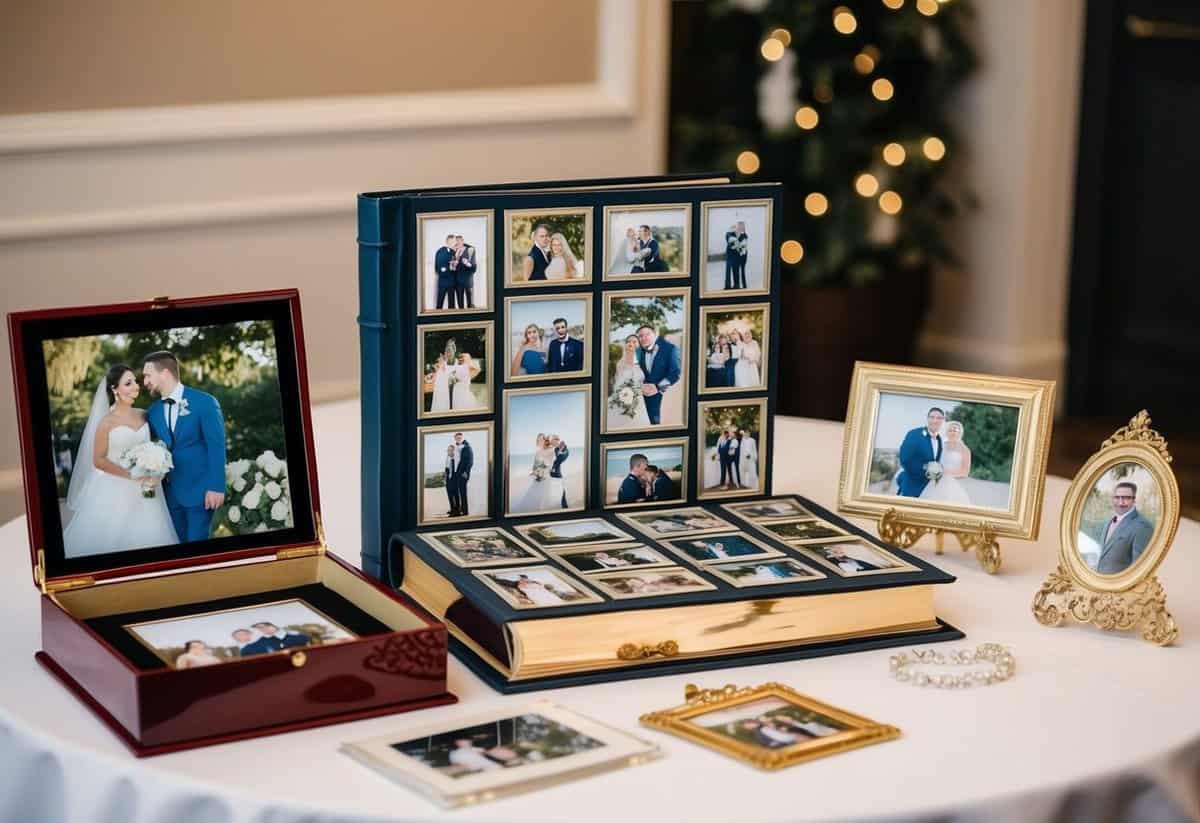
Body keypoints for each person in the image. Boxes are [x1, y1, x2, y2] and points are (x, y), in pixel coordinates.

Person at [62, 364, 180, 557]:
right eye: (128, 383)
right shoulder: (105, 422)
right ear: (114, 389)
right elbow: (98, 460)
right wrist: (132, 475)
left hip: (148, 489)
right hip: (114, 488)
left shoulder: (144, 414)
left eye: (135, 381)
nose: (136, 386)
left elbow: (158, 444)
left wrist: (159, 466)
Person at [143, 351, 226, 544]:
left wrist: (216, 486)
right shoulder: (153, 411)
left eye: (148, 375)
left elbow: (216, 446)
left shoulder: (204, 402)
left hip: (201, 491)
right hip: (169, 495)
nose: (145, 381)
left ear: (164, 373)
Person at [1094, 481, 1155, 574]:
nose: (1120, 502)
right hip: (1100, 583)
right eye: (1117, 497)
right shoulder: (1108, 522)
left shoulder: (1143, 526)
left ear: (1134, 500)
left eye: (1126, 498)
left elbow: (1138, 569)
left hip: (1118, 587)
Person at [636, 325, 681, 425]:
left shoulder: (671, 348)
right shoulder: (638, 351)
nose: (644, 338)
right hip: (642, 399)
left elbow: (675, 373)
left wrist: (657, 387)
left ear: (655, 334)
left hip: (663, 398)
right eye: (640, 336)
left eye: (647, 334)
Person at [896, 407, 945, 497]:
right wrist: (927, 468)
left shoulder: (939, 439)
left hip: (929, 489)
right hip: (911, 487)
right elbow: (905, 460)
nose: (935, 420)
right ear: (927, 418)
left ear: (943, 421)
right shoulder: (914, 434)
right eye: (932, 417)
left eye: (939, 418)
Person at [919, 420, 972, 505]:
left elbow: (965, 472)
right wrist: (932, 469)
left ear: (960, 433)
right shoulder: (940, 445)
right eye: (950, 430)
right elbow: (931, 461)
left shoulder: (965, 450)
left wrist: (944, 473)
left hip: (953, 484)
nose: (952, 433)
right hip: (935, 482)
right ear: (946, 432)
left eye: (955, 430)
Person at [608, 334, 651, 429]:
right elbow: (618, 383)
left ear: (639, 345)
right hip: (622, 399)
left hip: (639, 401)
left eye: (634, 341)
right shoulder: (620, 364)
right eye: (628, 341)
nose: (630, 343)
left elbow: (642, 382)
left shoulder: (643, 363)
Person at [512, 434, 559, 513]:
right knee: (534, 494)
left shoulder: (551, 450)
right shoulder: (538, 452)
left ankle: (543, 511)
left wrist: (553, 441)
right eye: (539, 440)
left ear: (545, 440)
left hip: (547, 476)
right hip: (539, 476)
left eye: (542, 440)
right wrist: (535, 472)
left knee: (544, 495)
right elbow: (535, 465)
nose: (540, 441)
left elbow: (556, 455)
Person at [238, 621, 312, 656]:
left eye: (262, 627)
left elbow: (304, 640)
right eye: (258, 629)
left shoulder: (296, 636)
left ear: (273, 626)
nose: (262, 630)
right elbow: (247, 651)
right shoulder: (257, 644)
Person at [449, 431, 473, 516]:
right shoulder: (455, 447)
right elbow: (455, 460)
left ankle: (465, 511)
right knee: (455, 491)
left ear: (462, 438)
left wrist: (466, 472)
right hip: (456, 473)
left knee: (463, 492)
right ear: (455, 438)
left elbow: (470, 461)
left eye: (460, 438)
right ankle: (458, 509)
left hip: (463, 473)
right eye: (456, 438)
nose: (458, 439)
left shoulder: (467, 447)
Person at [452, 234, 477, 308]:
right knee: (460, 301)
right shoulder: (454, 251)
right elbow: (453, 266)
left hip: (467, 279)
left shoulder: (470, 250)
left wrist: (467, 263)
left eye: (460, 241)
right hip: (457, 280)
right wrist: (453, 264)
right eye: (457, 241)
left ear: (463, 241)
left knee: (469, 300)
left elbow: (473, 267)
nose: (458, 243)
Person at [434, 233, 458, 309]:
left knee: (452, 306)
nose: (455, 243)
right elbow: (438, 269)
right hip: (443, 283)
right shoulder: (440, 252)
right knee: (439, 305)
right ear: (448, 242)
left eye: (455, 242)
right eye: (454, 242)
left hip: (452, 283)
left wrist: (455, 265)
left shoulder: (453, 252)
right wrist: (449, 268)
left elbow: (454, 266)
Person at [443, 444, 460, 516]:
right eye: (448, 450)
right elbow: (446, 469)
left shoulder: (456, 460)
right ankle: (452, 509)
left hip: (455, 480)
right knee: (450, 495)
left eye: (450, 450)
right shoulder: (448, 458)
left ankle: (457, 511)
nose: (448, 452)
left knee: (455, 495)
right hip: (448, 480)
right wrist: (445, 479)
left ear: (453, 451)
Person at [734, 220, 750, 288]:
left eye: (739, 226)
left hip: (742, 256)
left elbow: (742, 247)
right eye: (738, 226)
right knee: (739, 271)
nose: (737, 228)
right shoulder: (741, 235)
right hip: (741, 255)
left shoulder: (744, 236)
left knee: (742, 271)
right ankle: (739, 285)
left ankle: (743, 286)